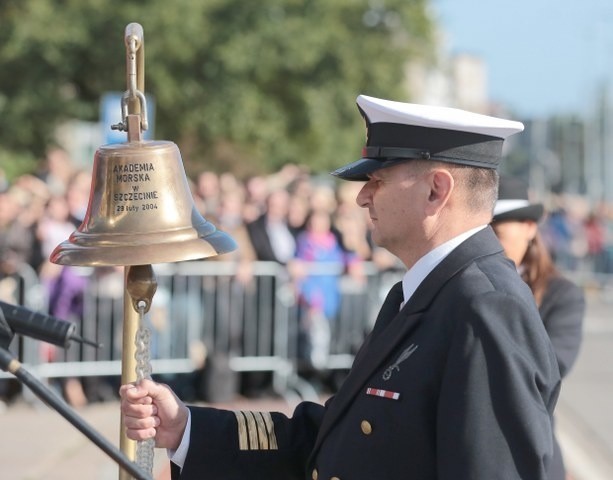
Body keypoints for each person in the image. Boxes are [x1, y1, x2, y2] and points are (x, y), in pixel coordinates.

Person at [120, 95, 561, 480]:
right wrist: (187, 429)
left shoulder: (486, 308)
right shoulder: (431, 293)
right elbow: (334, 437)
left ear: (436, 190)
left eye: (378, 179)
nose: (362, 197)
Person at [492, 175, 585, 480]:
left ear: (530, 228)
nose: (488, 243)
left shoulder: (561, 294)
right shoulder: (462, 285)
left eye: (498, 232)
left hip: (528, 448)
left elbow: (551, 368)